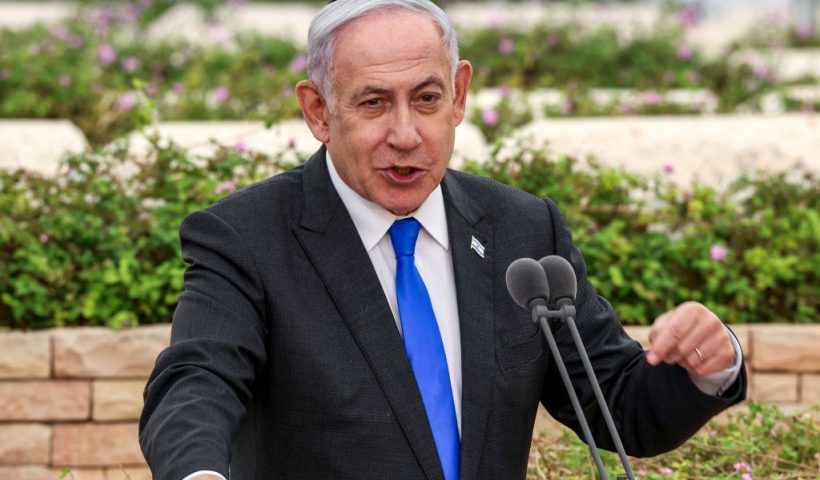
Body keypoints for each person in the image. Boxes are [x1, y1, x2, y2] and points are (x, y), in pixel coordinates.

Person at [139, 1, 746, 479]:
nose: (405, 134)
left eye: (427, 99)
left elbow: (619, 405)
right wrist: (197, 472)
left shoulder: (522, 230)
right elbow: (197, 379)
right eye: (374, 103)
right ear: (318, 110)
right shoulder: (246, 236)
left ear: (459, 94)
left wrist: (705, 363)